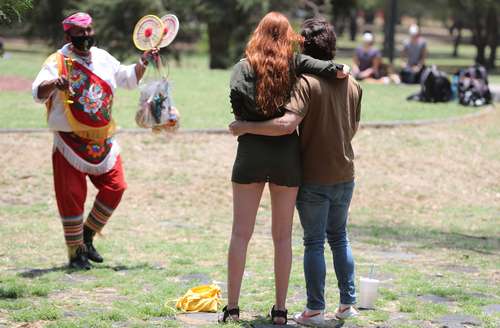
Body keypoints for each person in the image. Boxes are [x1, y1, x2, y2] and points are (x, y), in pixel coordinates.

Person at [229, 17, 362, 326]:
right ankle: (292, 309)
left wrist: (244, 124)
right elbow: (350, 122)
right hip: (315, 164)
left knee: (244, 234)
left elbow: (270, 116)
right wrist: (341, 69)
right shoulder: (324, 76)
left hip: (276, 160)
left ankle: (237, 307)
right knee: (298, 237)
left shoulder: (289, 78)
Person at [32, 12, 155, 270]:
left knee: (116, 186)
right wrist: (55, 83)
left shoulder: (102, 57)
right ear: (68, 35)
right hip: (69, 143)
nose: (86, 36)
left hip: (103, 140)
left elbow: (127, 78)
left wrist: (143, 62)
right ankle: (76, 252)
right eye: (80, 32)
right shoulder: (57, 61)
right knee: (72, 197)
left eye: (89, 31)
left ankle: (87, 235)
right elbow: (38, 92)